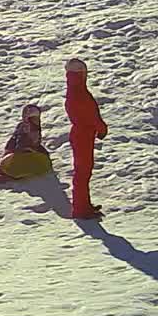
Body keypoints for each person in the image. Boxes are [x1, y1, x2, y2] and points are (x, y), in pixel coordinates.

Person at [64, 58, 108, 220]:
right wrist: (102, 129)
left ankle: (83, 205)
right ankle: (81, 209)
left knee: (82, 172)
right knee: (83, 172)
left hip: (80, 134)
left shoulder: (73, 91)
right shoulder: (80, 93)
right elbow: (92, 115)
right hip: (84, 135)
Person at [0, 103, 51, 182]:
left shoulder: (35, 130)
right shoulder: (22, 128)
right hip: (20, 158)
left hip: (32, 159)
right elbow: (11, 145)